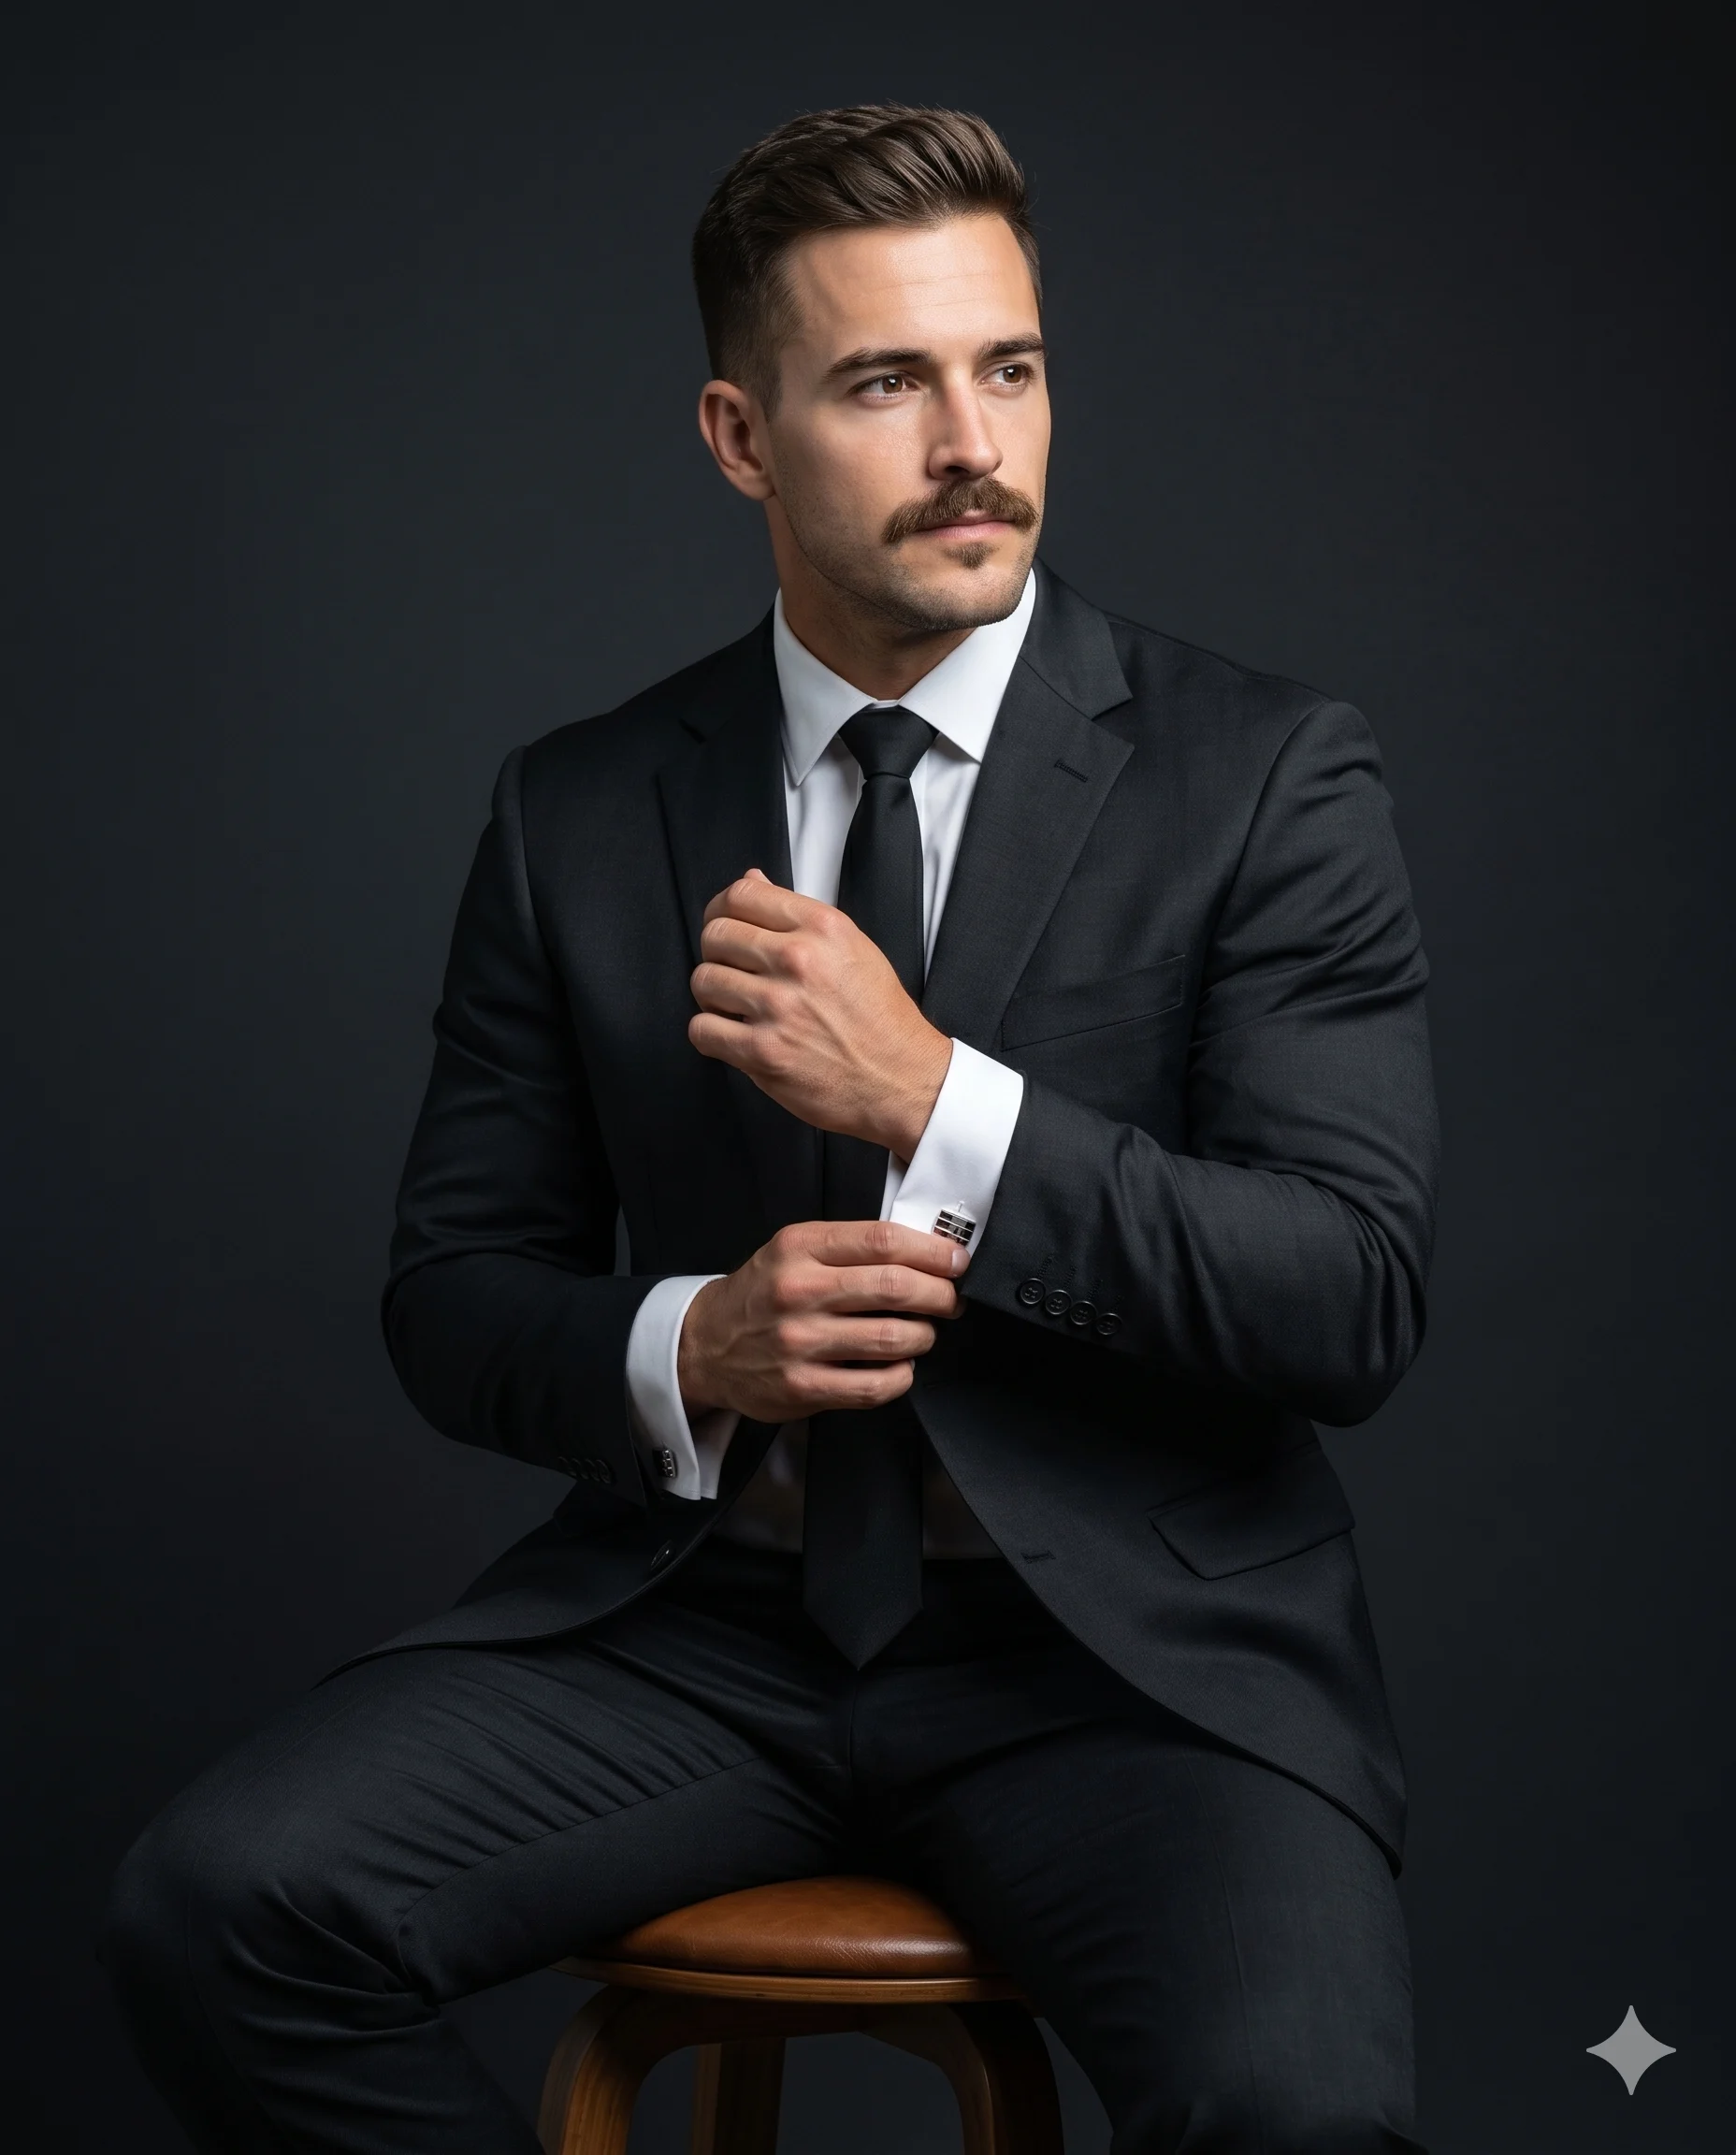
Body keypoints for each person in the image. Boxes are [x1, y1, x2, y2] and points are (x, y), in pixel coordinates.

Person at [105, 105, 1438, 2151]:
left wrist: (934, 1100)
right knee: (218, 1914)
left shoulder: (1263, 776)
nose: (971, 443)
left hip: (1121, 1667)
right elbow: (452, 1295)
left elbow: (1344, 1300)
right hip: (699, 1637)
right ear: (741, 437)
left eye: (1010, 366)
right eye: (886, 383)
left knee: (1296, 2114)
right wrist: (688, 1348)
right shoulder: (578, 809)